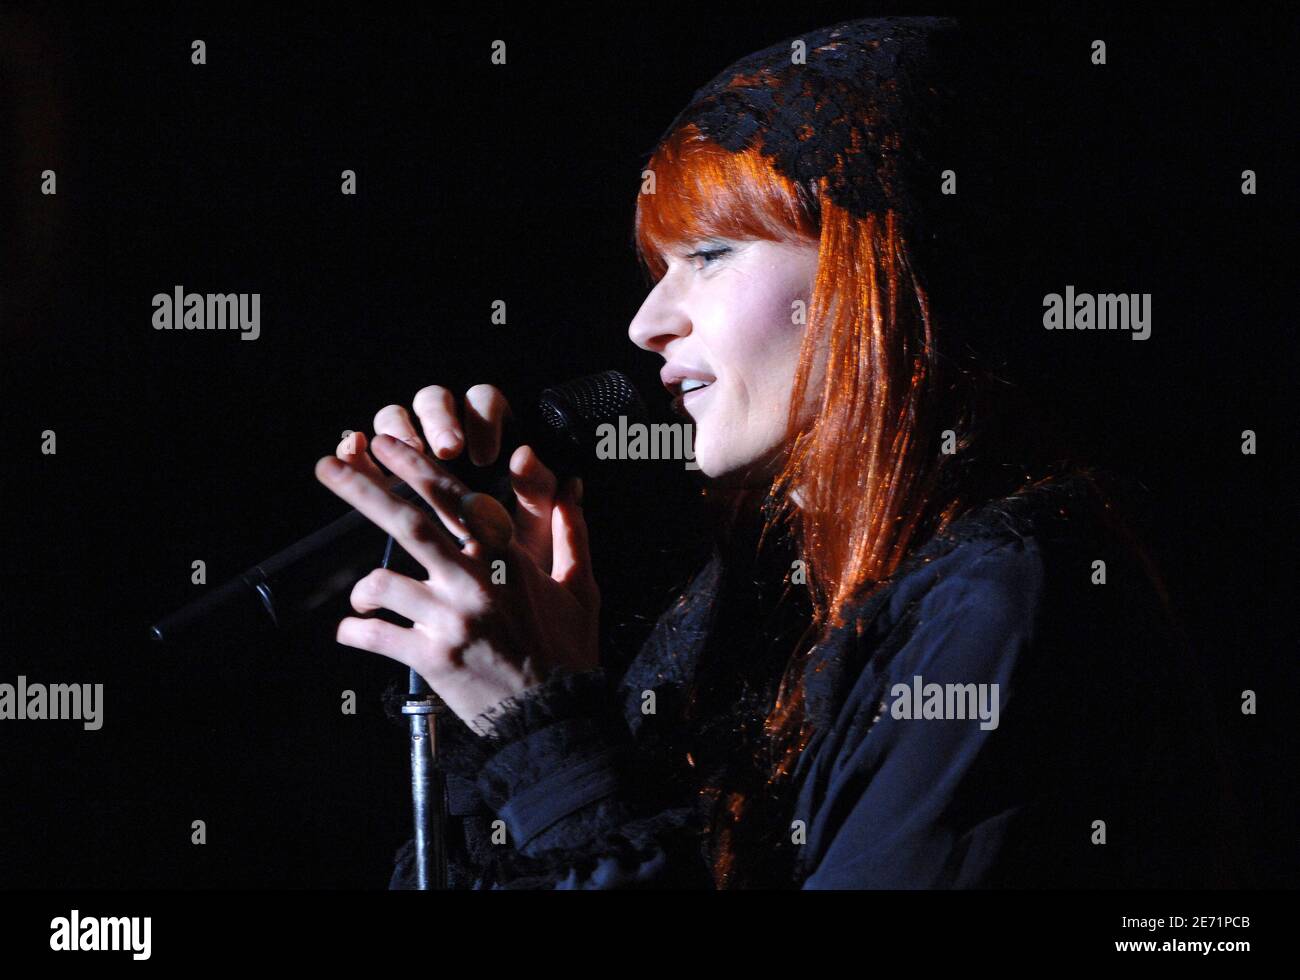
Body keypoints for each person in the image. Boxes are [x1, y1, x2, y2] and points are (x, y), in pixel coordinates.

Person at [315, 16, 1245, 888]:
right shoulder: (752, 610)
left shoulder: (1013, 595)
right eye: (656, 271)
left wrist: (539, 730)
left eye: (710, 255)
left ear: (885, 263)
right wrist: (508, 689)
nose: (646, 324)